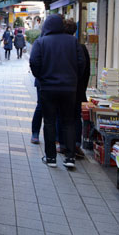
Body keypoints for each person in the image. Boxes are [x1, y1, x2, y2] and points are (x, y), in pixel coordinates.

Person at [30, 14, 84, 168]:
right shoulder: (73, 41)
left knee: (49, 122)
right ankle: (70, 158)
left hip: (48, 88)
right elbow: (82, 63)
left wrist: (41, 77)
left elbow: (34, 62)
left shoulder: (41, 42)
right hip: (69, 89)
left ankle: (51, 158)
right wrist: (73, 79)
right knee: (69, 122)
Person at [63, 19, 90, 158]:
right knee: (75, 118)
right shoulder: (82, 48)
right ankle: (77, 145)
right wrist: (82, 88)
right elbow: (86, 72)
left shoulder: (61, 46)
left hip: (63, 88)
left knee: (62, 116)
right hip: (77, 90)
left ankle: (62, 144)